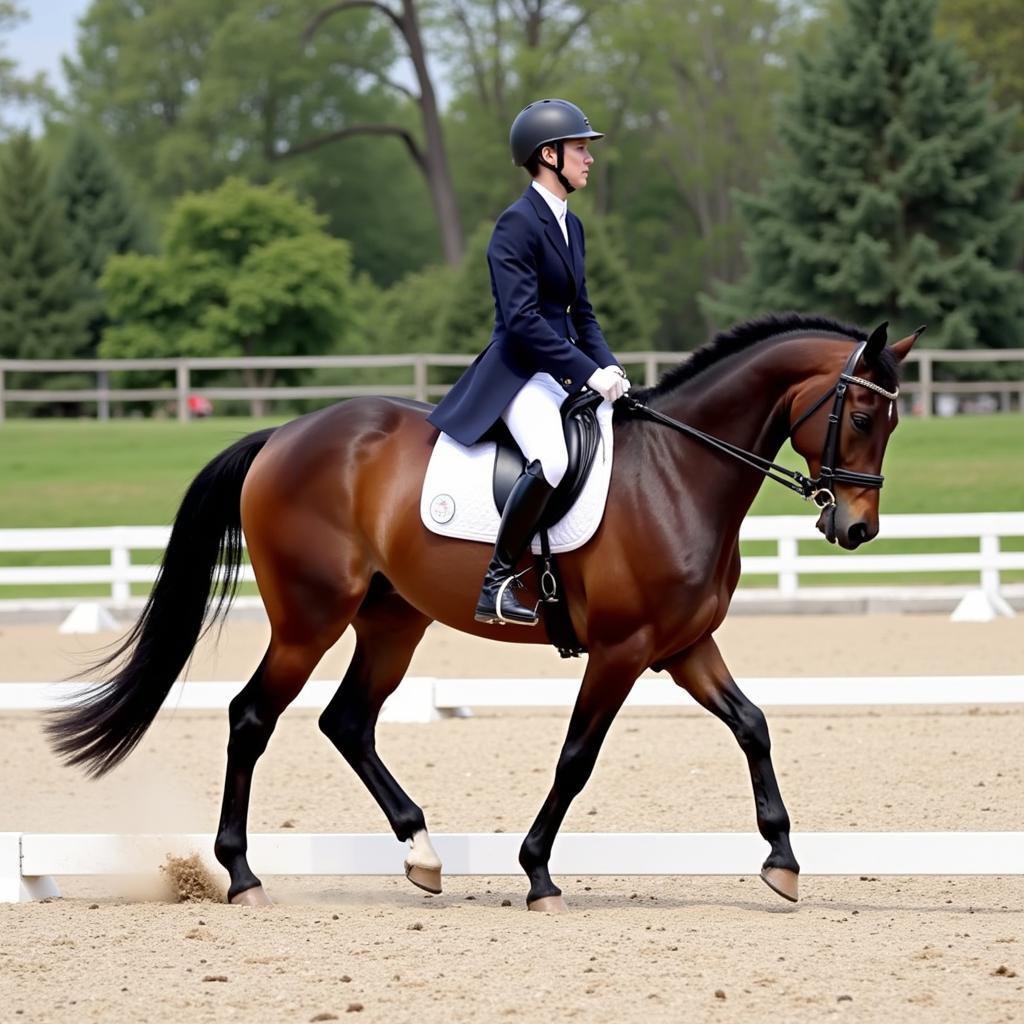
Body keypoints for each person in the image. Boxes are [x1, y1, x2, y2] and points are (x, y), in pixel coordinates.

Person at [427, 98, 631, 627]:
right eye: (580, 148)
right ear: (549, 155)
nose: (589, 159)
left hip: (562, 371)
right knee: (555, 460)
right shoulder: (516, 224)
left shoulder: (572, 226)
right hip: (520, 373)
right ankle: (495, 581)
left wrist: (611, 370)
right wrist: (586, 371)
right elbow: (522, 322)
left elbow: (582, 314)